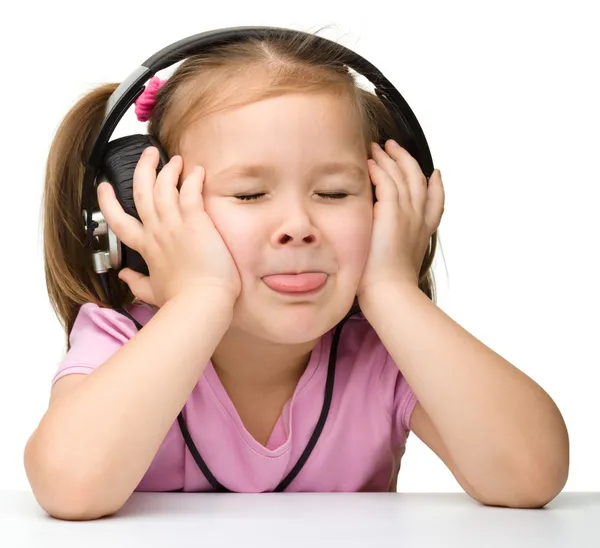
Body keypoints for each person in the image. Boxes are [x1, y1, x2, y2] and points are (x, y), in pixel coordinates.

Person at [24, 28, 569, 521]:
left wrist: (390, 290)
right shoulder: (120, 341)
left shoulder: (385, 356)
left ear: (384, 204)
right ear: (148, 209)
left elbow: (529, 477)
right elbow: (71, 487)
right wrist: (203, 297)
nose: (298, 226)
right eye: (249, 193)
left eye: (335, 193)